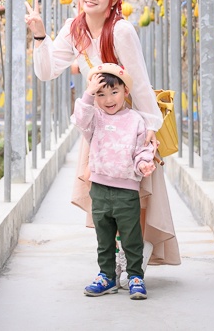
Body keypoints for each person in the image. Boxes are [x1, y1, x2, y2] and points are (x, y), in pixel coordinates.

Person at [26, 0, 181, 281]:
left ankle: (132, 259)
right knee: (104, 196)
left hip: (129, 122)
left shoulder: (121, 30)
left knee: (135, 193)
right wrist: (40, 35)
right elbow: (47, 71)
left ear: (113, 0)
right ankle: (115, 261)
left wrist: (150, 127)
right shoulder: (74, 28)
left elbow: (139, 80)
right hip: (99, 125)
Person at [72, 65, 155, 299]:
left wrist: (143, 164)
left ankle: (135, 276)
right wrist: (88, 93)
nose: (108, 100)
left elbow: (142, 149)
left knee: (131, 236)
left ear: (126, 91)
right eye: (101, 94)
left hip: (126, 189)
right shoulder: (94, 118)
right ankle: (107, 276)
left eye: (114, 92)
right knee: (104, 237)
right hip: (99, 187)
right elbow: (80, 119)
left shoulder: (135, 120)